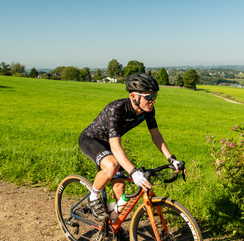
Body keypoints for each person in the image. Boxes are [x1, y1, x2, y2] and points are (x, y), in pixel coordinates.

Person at [78, 73, 185, 225]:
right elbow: (115, 146)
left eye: (154, 95)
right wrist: (133, 172)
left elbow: (156, 136)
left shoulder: (148, 110)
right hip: (91, 140)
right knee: (112, 166)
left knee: (120, 186)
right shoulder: (118, 109)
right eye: (148, 97)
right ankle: (93, 197)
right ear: (134, 96)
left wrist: (172, 159)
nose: (152, 100)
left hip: (111, 144)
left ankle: (114, 224)